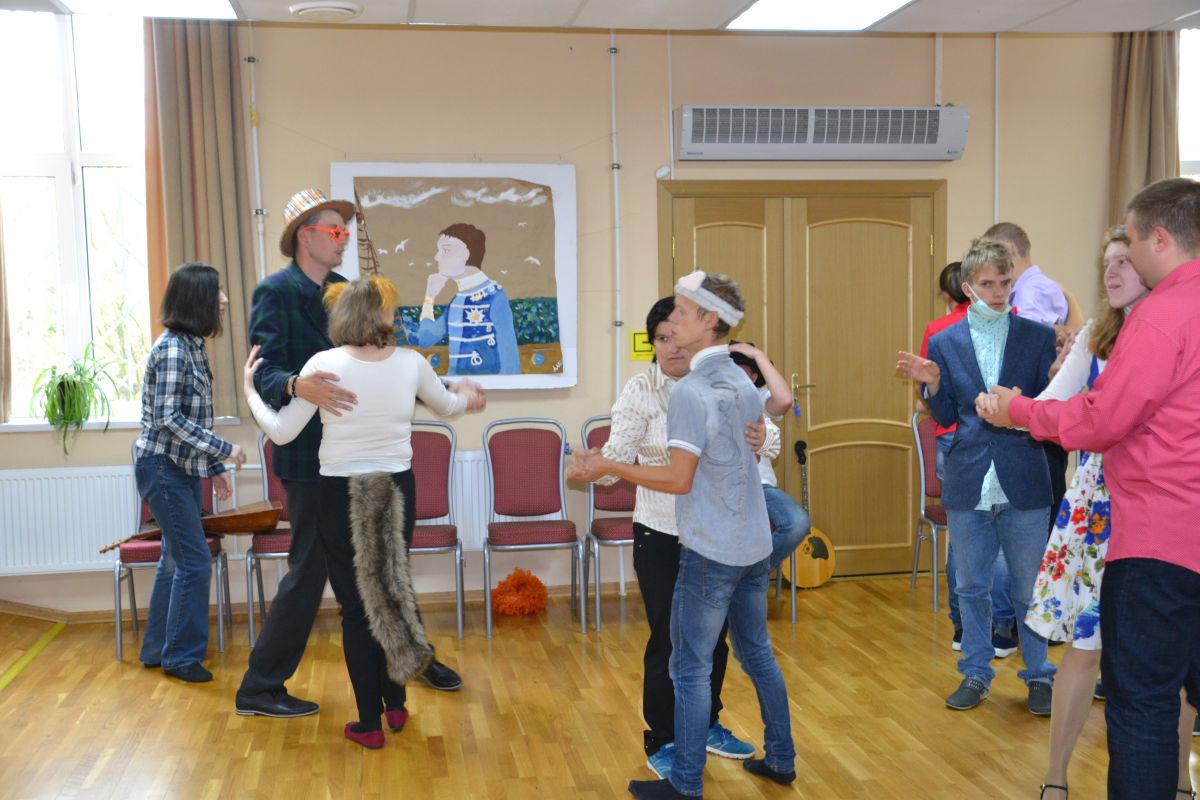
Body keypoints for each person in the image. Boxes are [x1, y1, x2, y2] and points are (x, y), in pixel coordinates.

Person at [980, 178, 1200, 800]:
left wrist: (1019, 411)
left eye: (1131, 243)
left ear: (1160, 239)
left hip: (1160, 539)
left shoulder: (1162, 316)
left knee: (1143, 704)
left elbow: (1104, 419)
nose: (1121, 261)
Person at [235, 189, 460, 721]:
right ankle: (260, 686)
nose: (343, 239)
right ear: (304, 236)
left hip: (362, 456)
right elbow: (264, 370)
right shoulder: (275, 292)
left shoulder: (344, 289)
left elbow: (377, 359)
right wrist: (295, 384)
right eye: (334, 230)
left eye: (345, 231)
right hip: (311, 461)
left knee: (386, 570)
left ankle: (411, 661)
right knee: (310, 574)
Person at [570, 271, 795, 800]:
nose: (672, 326)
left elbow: (679, 479)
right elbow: (778, 403)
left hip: (709, 545)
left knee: (690, 666)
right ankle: (778, 758)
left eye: (681, 314)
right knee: (748, 654)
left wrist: (608, 467)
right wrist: (604, 464)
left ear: (708, 321)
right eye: (664, 325)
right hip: (741, 542)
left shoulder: (695, 390)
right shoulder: (734, 378)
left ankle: (686, 782)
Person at [896, 239, 1057, 715]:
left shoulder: (1036, 337)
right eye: (987, 284)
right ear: (968, 287)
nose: (998, 292)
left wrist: (1052, 382)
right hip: (969, 477)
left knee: (1028, 590)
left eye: (1005, 282)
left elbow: (1047, 410)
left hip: (1024, 475)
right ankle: (976, 672)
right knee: (970, 586)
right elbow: (948, 416)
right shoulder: (945, 342)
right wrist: (932, 383)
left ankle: (1039, 676)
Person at [135, 262, 246, 683]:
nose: (224, 300)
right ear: (197, 300)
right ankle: (181, 658)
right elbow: (168, 419)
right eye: (217, 292)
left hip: (176, 468)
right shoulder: (174, 350)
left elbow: (191, 420)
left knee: (174, 559)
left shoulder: (193, 346)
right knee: (195, 562)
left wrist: (214, 468)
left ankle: (157, 651)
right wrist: (224, 450)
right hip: (162, 468)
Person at [919, 262, 1016, 655]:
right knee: (1003, 536)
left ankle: (963, 627)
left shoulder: (938, 330)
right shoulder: (1013, 323)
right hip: (1002, 438)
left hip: (954, 440)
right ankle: (1002, 627)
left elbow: (930, 395)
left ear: (949, 295)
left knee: (962, 538)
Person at [983, 222, 1072, 539]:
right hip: (1029, 419)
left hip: (1038, 421)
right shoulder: (1029, 289)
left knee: (1039, 524)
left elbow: (1023, 352)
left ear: (1008, 250)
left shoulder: (1033, 291)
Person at [726, 342, 812, 573]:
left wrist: (757, 355)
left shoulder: (759, 398)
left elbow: (784, 401)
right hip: (718, 490)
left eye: (740, 372)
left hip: (759, 488)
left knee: (797, 522)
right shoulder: (705, 398)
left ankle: (752, 574)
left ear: (754, 377)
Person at [415, 223, 519, 375]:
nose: (437, 257)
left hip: (489, 386)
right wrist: (429, 297)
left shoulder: (495, 297)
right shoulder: (456, 301)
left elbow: (510, 362)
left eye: (445, 250)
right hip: (456, 387)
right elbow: (425, 339)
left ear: (467, 254)